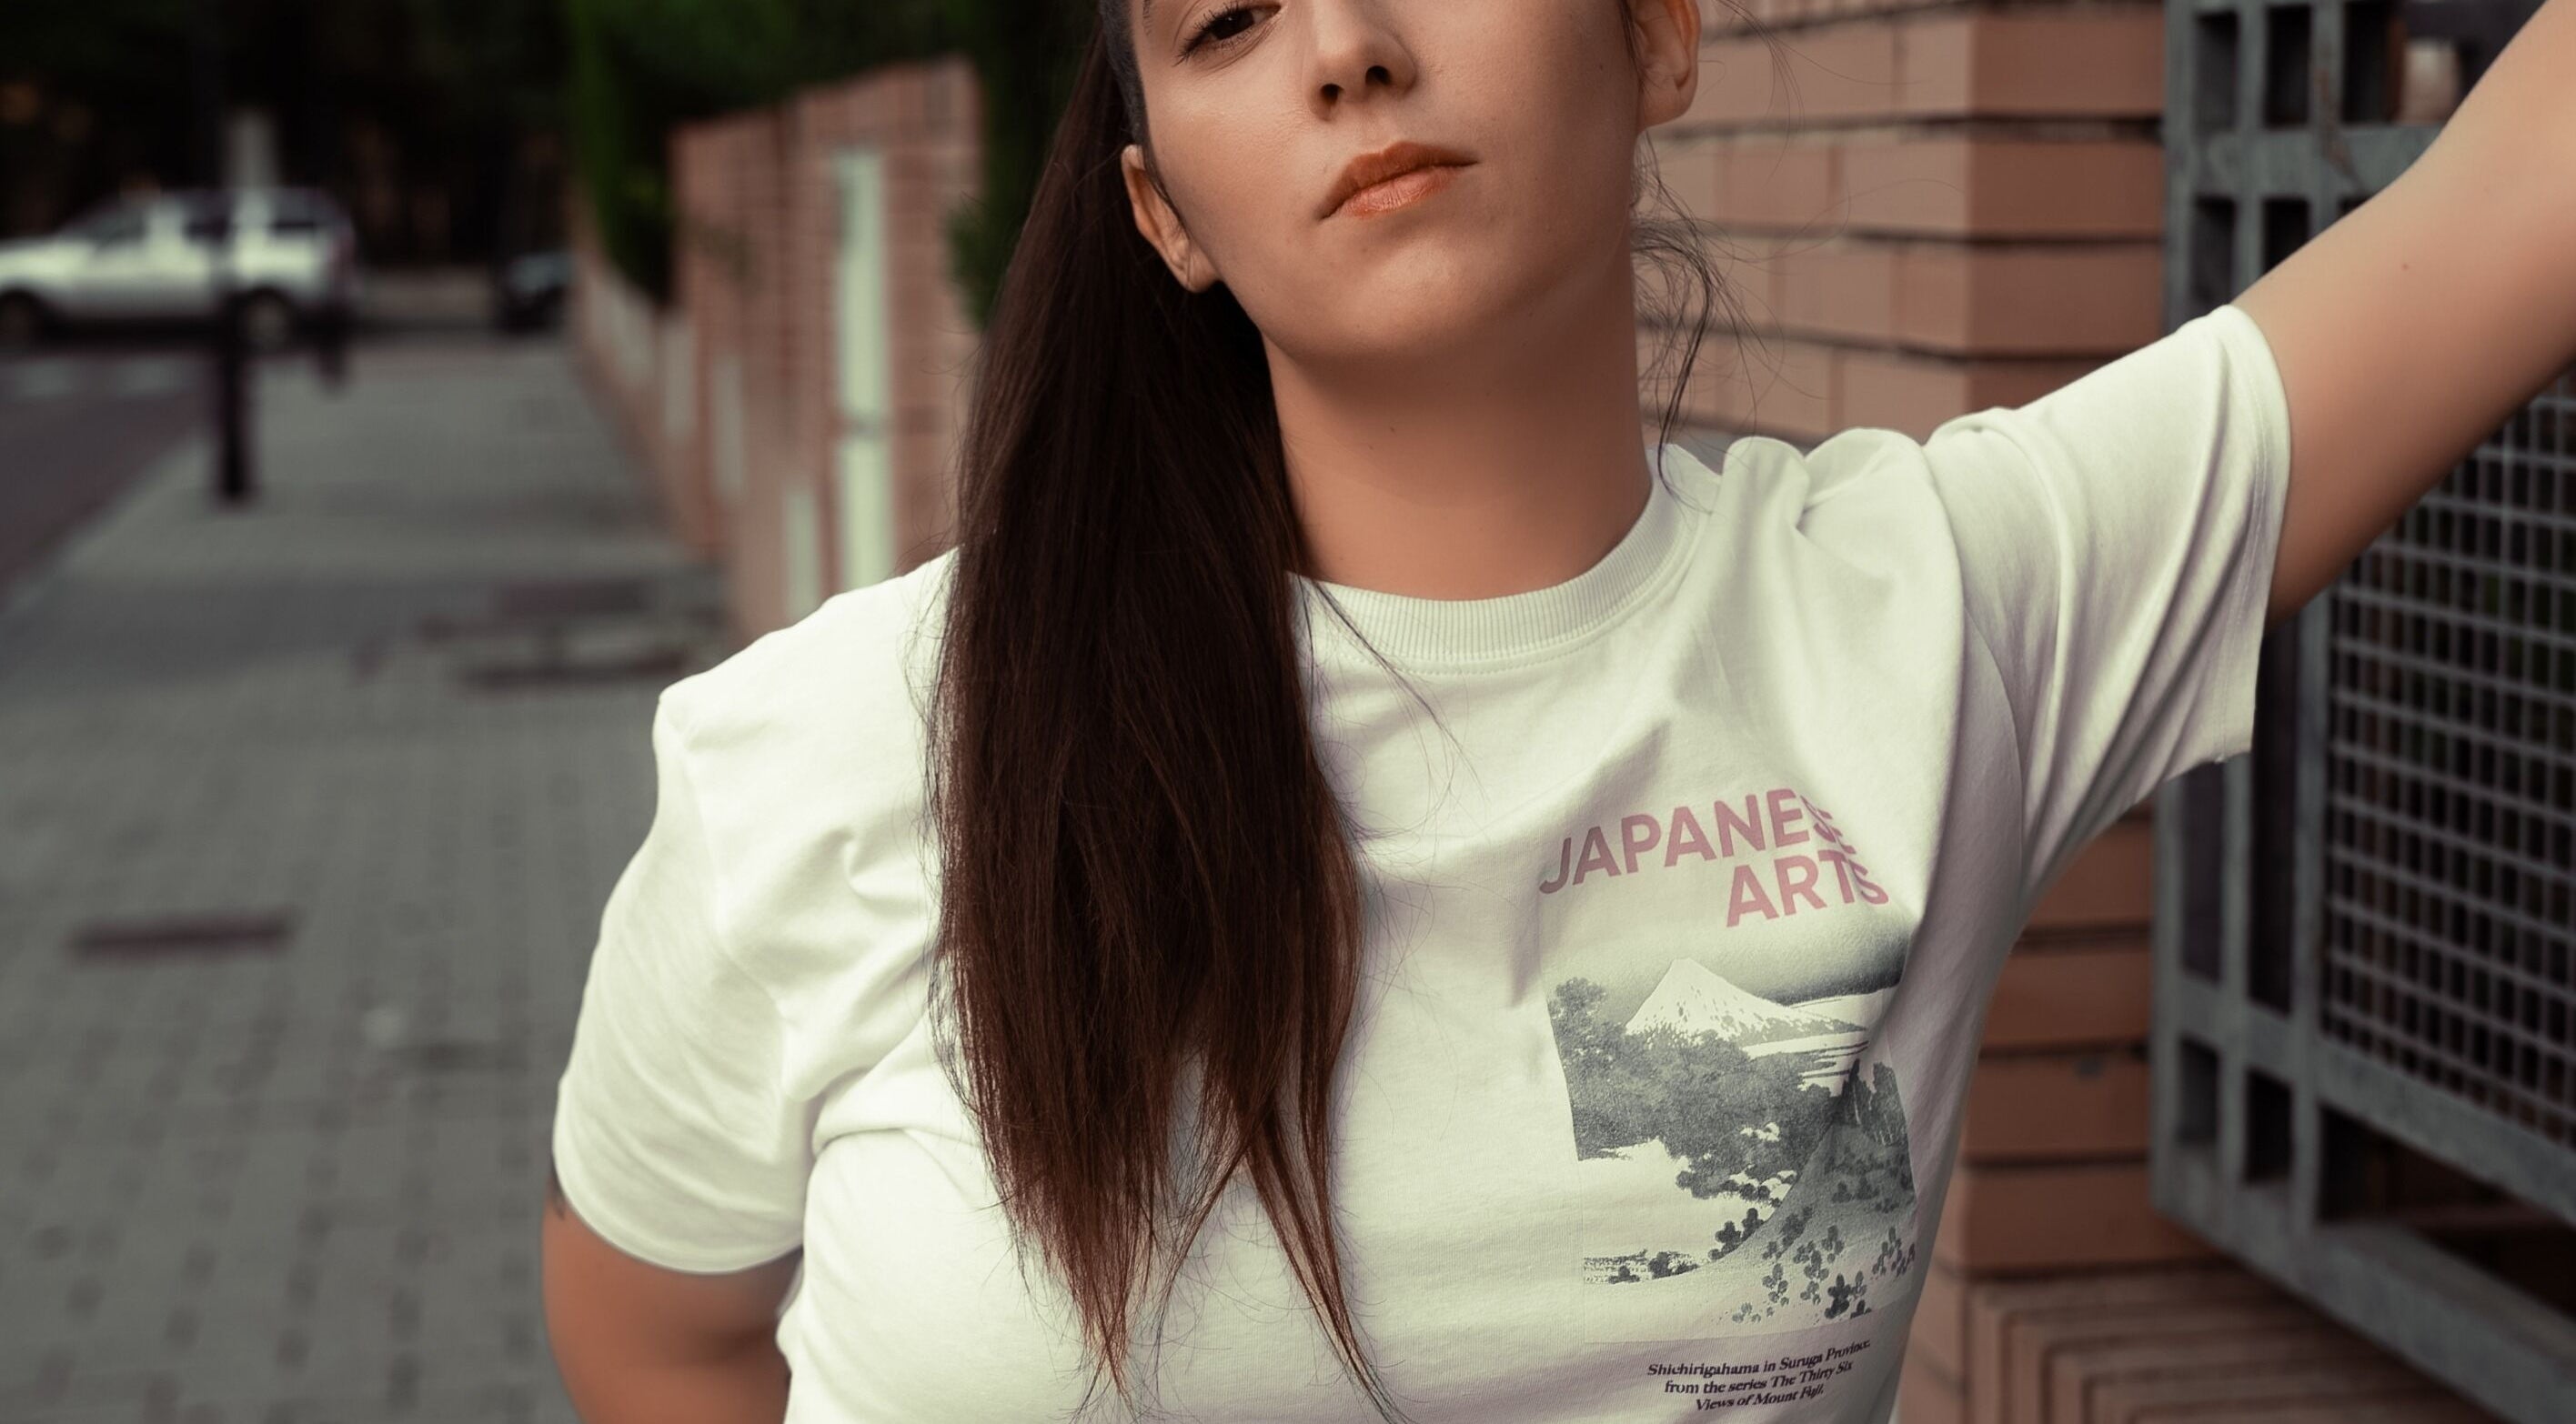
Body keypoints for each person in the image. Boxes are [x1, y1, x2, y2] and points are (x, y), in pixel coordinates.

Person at [538, 0, 2576, 1420]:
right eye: (1229, 20)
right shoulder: (838, 751)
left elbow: (2511, 203)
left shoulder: (1929, 618)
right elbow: (658, 1344)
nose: (1345, 45)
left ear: (1657, 32)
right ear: (1165, 215)